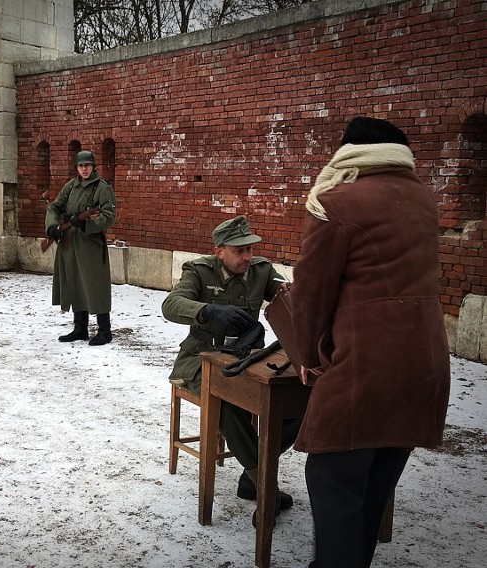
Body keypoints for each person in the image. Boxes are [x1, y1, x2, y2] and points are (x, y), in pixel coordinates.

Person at [289, 117, 451, 568]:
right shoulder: (423, 199)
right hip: (425, 365)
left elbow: (310, 292)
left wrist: (308, 355)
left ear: (349, 153)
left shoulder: (338, 201)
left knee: (332, 478)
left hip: (366, 367)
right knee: (375, 482)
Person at [161, 215, 302, 522]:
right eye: (239, 251)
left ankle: (252, 477)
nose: (247, 257)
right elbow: (170, 306)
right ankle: (266, 487)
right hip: (200, 357)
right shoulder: (199, 271)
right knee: (226, 406)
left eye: (250, 249)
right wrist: (207, 310)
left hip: (245, 358)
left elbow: (287, 296)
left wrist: (297, 294)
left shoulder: (261, 271)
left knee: (297, 402)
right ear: (219, 251)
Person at [45, 150, 117, 346]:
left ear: (93, 166)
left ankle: (104, 330)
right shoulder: (71, 186)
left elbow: (109, 216)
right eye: (80, 166)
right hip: (69, 243)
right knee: (74, 282)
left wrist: (85, 224)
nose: (84, 169)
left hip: (90, 244)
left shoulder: (102, 188)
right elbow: (54, 207)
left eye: (87, 165)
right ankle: (80, 328)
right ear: (76, 167)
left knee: (95, 286)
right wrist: (52, 226)